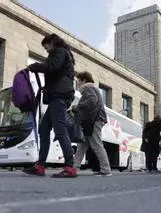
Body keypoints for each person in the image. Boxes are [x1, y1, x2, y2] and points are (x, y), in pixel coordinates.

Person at [23, 33, 77, 178]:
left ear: (52, 43)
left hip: (59, 96)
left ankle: (70, 167)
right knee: (44, 129)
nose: (46, 50)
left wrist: (35, 66)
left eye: (46, 47)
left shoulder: (59, 52)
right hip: (57, 96)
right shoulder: (63, 53)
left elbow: (52, 66)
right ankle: (40, 166)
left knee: (60, 131)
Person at [73, 71, 112, 177]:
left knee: (97, 145)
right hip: (92, 120)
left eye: (78, 81)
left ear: (84, 80)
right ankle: (74, 168)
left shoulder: (88, 88)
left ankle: (106, 170)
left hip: (94, 120)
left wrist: (77, 107)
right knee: (82, 145)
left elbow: (92, 101)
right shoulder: (93, 89)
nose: (77, 83)